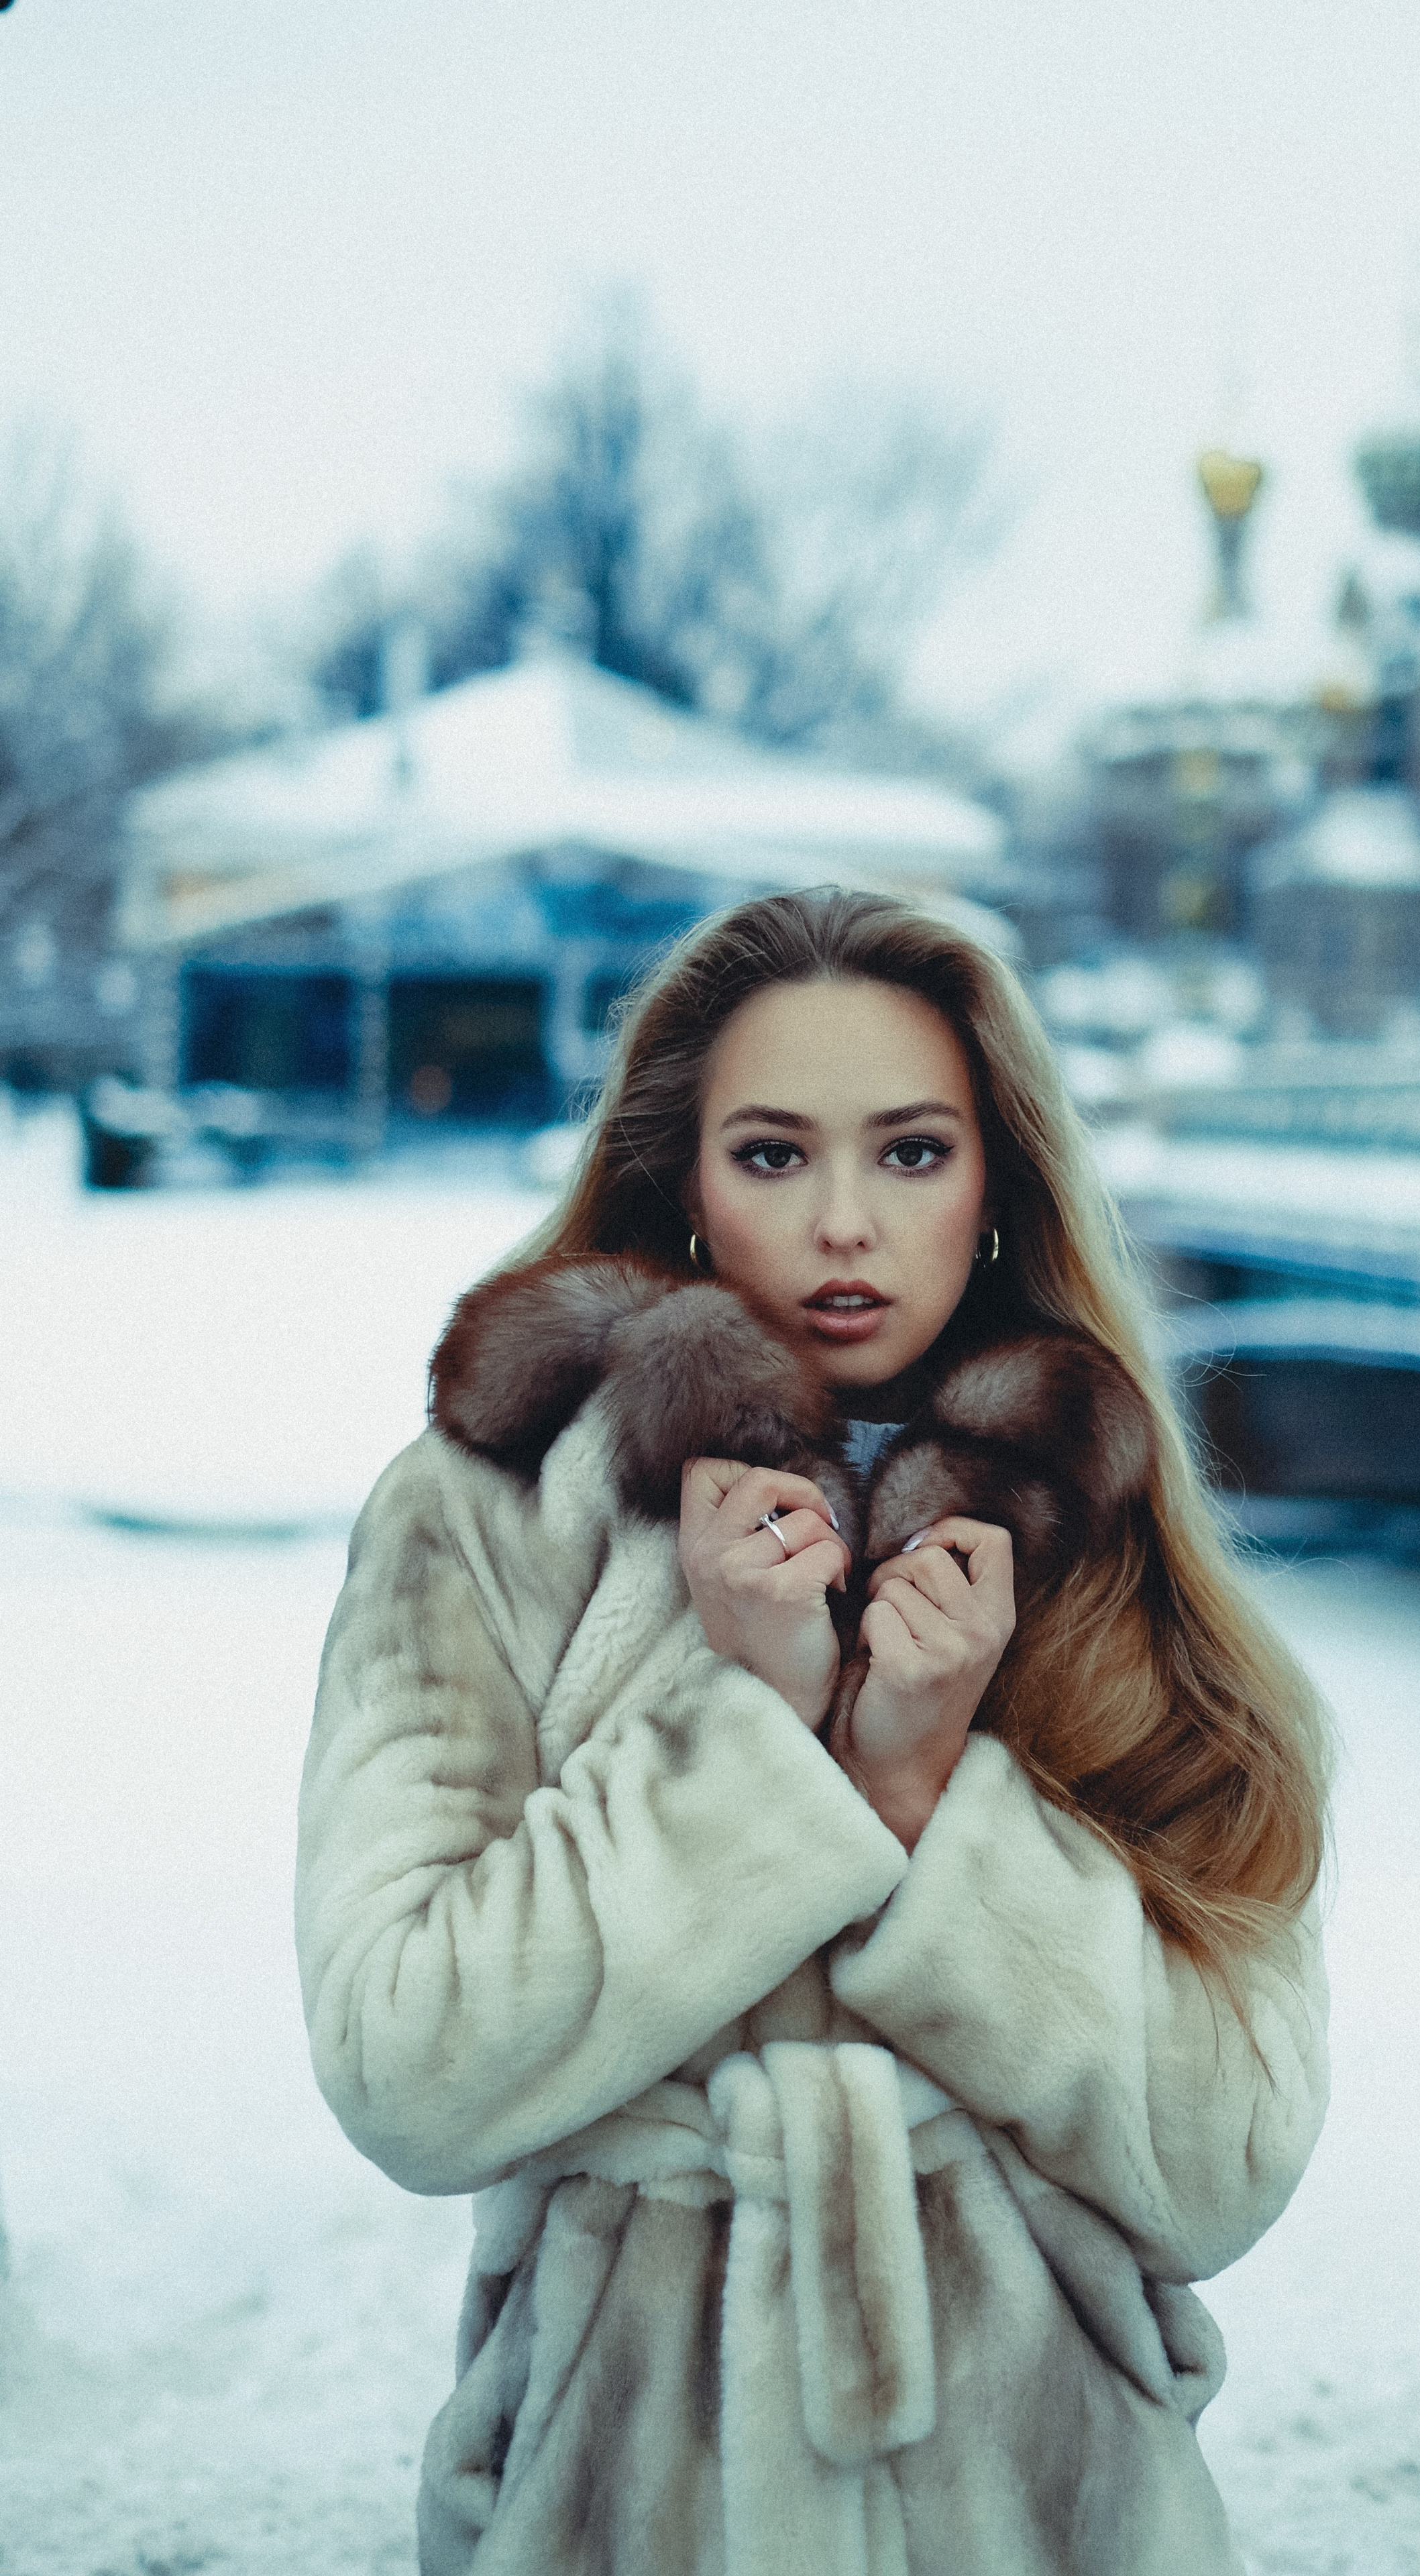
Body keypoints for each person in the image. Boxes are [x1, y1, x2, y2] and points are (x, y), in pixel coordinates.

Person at [295, 888, 1333, 2576]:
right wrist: (747, 1736)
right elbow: (404, 2066)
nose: (844, 1224)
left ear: (996, 1178)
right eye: (773, 1155)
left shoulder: (1106, 1534)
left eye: (911, 1154)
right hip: (612, 2500)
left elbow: (1223, 2162)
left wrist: (931, 1803)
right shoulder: (482, 1516)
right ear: (680, 1181)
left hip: (1050, 2516)